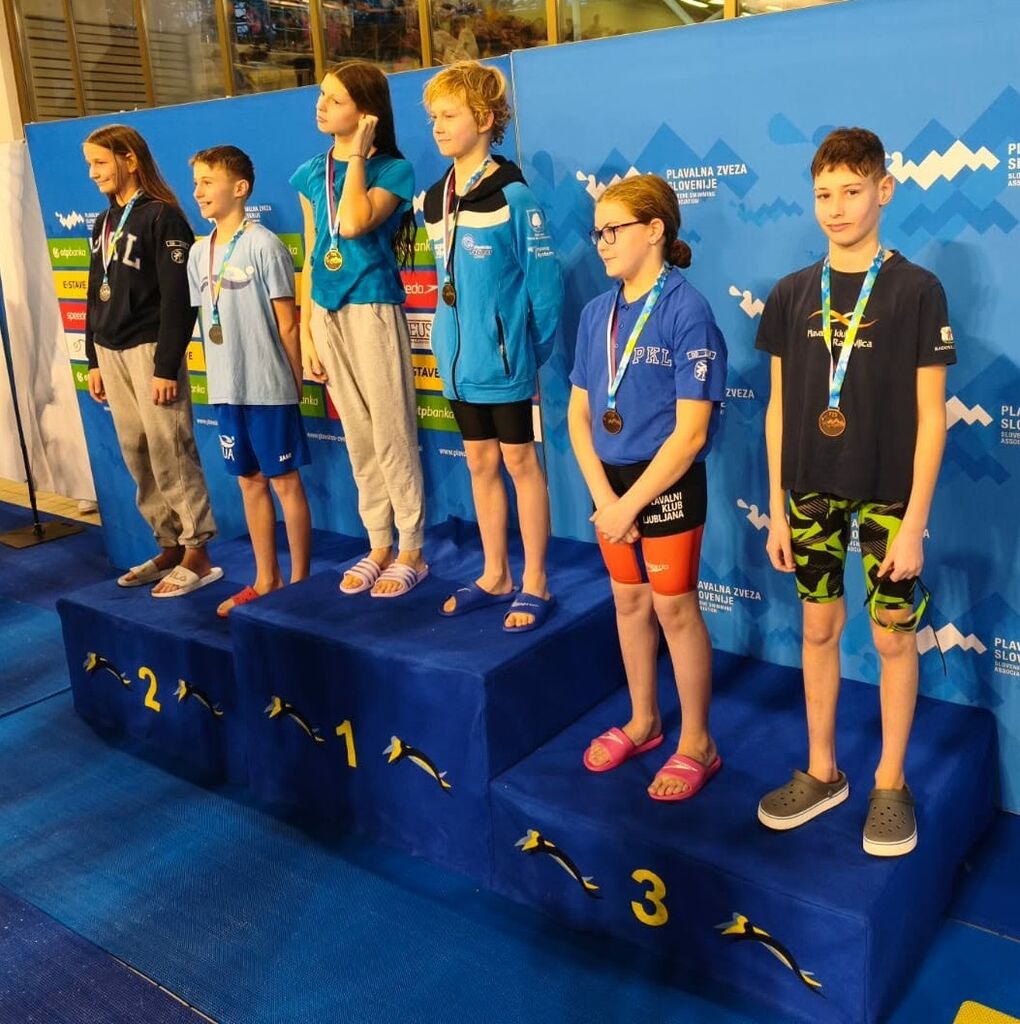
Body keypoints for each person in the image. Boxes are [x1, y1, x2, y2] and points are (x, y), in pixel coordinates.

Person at [756, 127, 955, 856]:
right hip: (809, 493)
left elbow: (932, 417)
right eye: (823, 194)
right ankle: (822, 770)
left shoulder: (917, 290)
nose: (836, 208)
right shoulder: (791, 293)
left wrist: (914, 524)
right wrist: (777, 509)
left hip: (888, 499)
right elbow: (779, 409)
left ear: (884, 190)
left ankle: (891, 781)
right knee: (817, 628)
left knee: (892, 635)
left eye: (851, 191)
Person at [568, 174, 726, 800]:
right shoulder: (596, 313)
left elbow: (691, 434)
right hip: (610, 487)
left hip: (667, 481)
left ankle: (698, 743)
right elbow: (578, 415)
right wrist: (608, 500)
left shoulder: (688, 311)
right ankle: (644, 720)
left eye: (614, 230)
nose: (602, 243)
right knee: (628, 602)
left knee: (674, 609)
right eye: (597, 232)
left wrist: (629, 504)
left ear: (655, 229)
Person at [422, 60, 564, 632]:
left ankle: (536, 580)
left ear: (484, 120)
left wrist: (525, 353)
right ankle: (496, 573)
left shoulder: (514, 195)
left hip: (504, 363)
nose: (437, 126)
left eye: (449, 115)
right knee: (480, 462)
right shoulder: (434, 199)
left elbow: (545, 288)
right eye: (433, 117)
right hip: (458, 365)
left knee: (520, 462)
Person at [291, 59, 427, 598]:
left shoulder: (393, 170)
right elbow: (311, 253)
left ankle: (411, 547)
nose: (321, 106)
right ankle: (378, 543)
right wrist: (306, 332)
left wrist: (355, 157)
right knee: (358, 437)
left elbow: (350, 223)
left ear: (366, 112)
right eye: (321, 95)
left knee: (391, 431)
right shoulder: (308, 172)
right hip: (326, 312)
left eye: (335, 99)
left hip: (371, 305)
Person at [82, 124, 220, 597]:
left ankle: (197, 551)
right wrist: (93, 357)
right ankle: (169, 545)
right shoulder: (103, 223)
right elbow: (94, 291)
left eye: (100, 162)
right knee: (138, 453)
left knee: (170, 450)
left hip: (149, 350)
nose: (93, 172)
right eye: (90, 164)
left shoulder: (163, 216)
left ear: (130, 160)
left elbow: (180, 299)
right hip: (110, 350)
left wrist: (165, 365)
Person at [188, 146, 312, 618]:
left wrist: (293, 380)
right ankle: (266, 579)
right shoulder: (198, 253)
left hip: (269, 387)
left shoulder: (265, 245)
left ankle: (300, 582)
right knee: (249, 482)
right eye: (196, 183)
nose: (198, 191)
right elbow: (208, 320)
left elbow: (288, 323)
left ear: (239, 188)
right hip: (226, 389)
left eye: (208, 182)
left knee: (284, 482)